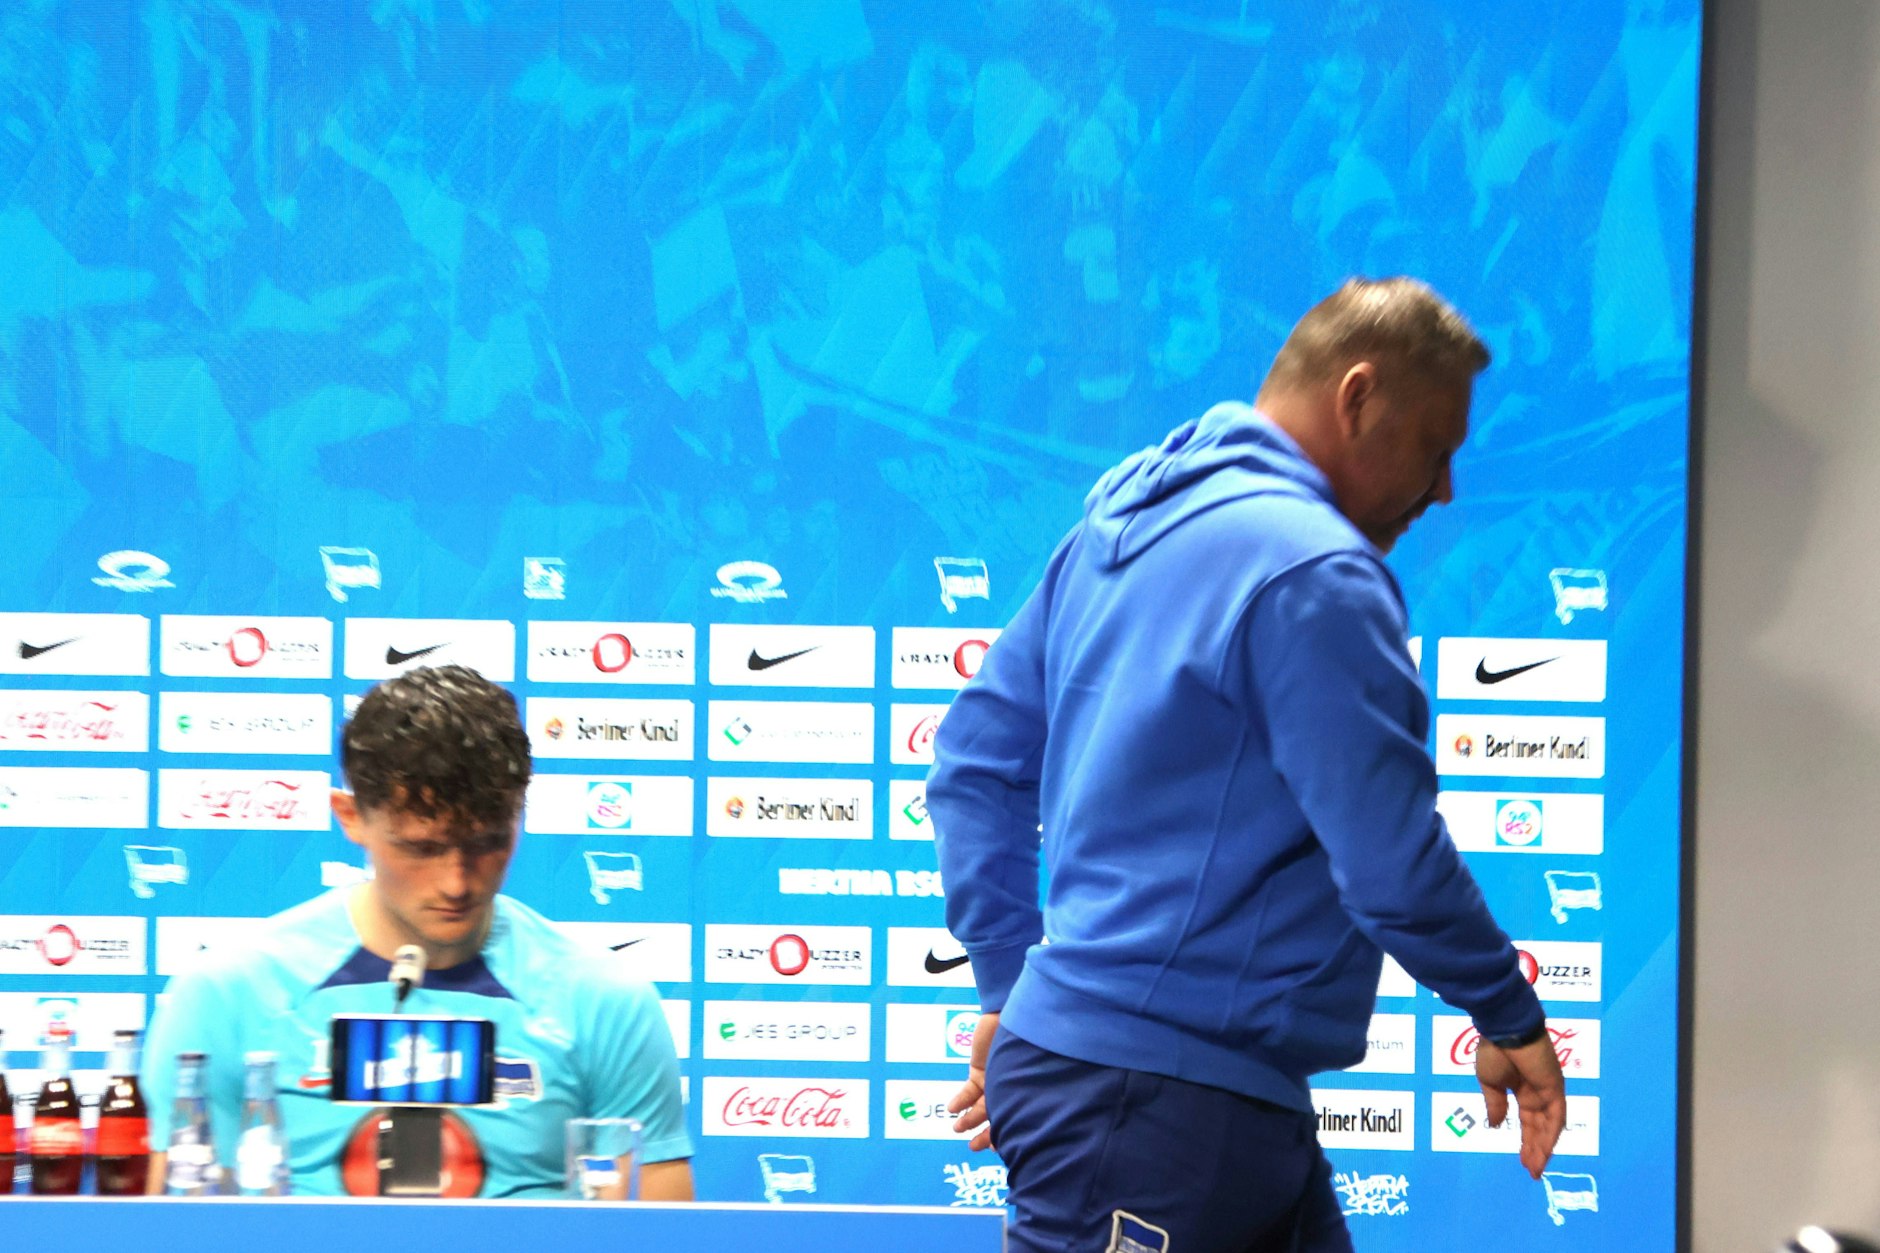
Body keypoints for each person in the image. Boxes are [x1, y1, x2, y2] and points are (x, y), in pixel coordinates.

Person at [928, 277, 1566, 1251]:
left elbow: (975, 759)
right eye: (1436, 445)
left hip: (1194, 1095)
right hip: (1152, 1108)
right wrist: (1505, 1010)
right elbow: (1389, 864)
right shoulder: (1313, 572)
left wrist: (1008, 986)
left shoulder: (1119, 519)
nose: (1444, 489)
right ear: (1355, 396)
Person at [141, 665, 693, 1199]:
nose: (457, 883)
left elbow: (660, 1235)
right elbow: (173, 1228)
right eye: (422, 847)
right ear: (350, 816)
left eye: (486, 843)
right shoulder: (226, 994)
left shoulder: (605, 1000)